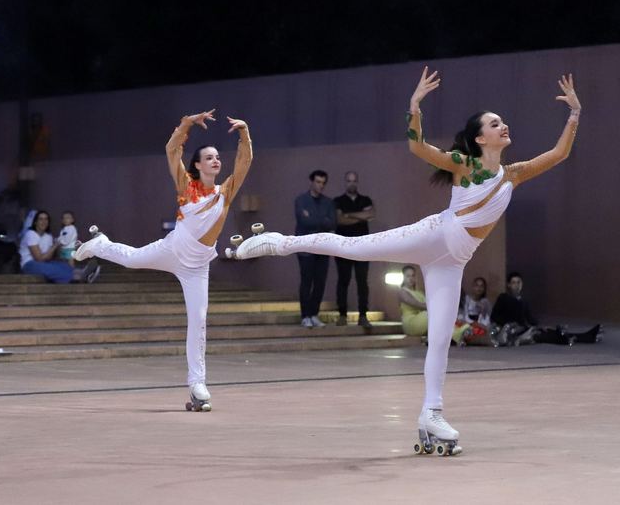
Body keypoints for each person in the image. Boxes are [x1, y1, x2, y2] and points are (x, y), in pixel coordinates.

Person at [231, 68, 582, 455]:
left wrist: (574, 114)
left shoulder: (512, 174)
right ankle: (278, 242)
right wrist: (414, 107)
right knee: (351, 248)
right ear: (480, 137)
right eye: (495, 123)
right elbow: (418, 148)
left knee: (440, 340)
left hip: (452, 263)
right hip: (432, 236)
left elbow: (560, 153)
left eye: (502, 122)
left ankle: (431, 413)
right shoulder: (466, 165)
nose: (504, 126)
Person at [75, 110, 252, 411]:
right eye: (208, 157)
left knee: (198, 321)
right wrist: (185, 124)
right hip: (172, 249)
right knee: (131, 259)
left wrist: (245, 133)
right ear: (197, 165)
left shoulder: (226, 192)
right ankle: (100, 245)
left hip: (197, 267)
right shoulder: (187, 185)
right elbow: (172, 150)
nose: (215, 160)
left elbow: (245, 162)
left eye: (217, 157)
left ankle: (198, 385)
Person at [491, 272, 602, 347]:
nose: (516, 285)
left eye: (519, 282)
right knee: (542, 335)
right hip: (512, 331)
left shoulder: (523, 301)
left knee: (546, 331)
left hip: (524, 328)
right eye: (514, 282)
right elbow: (495, 316)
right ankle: (572, 338)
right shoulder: (504, 298)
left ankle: (585, 336)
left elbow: (530, 318)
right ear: (509, 285)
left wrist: (540, 325)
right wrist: (508, 324)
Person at [295, 170, 336, 328]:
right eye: (318, 182)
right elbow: (304, 221)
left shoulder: (328, 202)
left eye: (323, 183)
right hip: (305, 247)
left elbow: (332, 223)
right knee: (306, 281)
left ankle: (314, 314)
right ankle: (305, 315)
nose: (320, 186)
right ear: (311, 182)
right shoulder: (301, 200)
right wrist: (322, 220)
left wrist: (313, 218)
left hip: (323, 247)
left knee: (320, 282)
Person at [334, 171, 375, 328]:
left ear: (357, 182)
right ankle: (342, 315)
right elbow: (340, 220)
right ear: (345, 182)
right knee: (343, 281)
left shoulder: (365, 199)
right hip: (342, 246)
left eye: (354, 181)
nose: (352, 183)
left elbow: (371, 214)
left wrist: (349, 215)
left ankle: (363, 316)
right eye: (349, 181)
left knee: (362, 282)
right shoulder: (338, 201)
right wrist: (360, 216)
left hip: (363, 247)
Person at [398, 265, 473, 343]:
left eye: (413, 276)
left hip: (423, 319)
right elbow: (417, 304)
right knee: (432, 315)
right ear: (403, 277)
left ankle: (457, 333)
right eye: (408, 276)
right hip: (411, 323)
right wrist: (435, 308)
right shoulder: (402, 291)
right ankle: (459, 334)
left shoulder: (419, 292)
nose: (411, 278)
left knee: (438, 316)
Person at [456, 276, 492, 346]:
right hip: (466, 324)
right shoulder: (467, 299)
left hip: (478, 328)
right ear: (473, 287)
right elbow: (465, 317)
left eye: (481, 286)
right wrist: (475, 324)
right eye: (477, 285)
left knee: (481, 331)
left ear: (484, 289)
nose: (479, 288)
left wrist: (482, 312)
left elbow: (487, 321)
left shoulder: (485, 302)